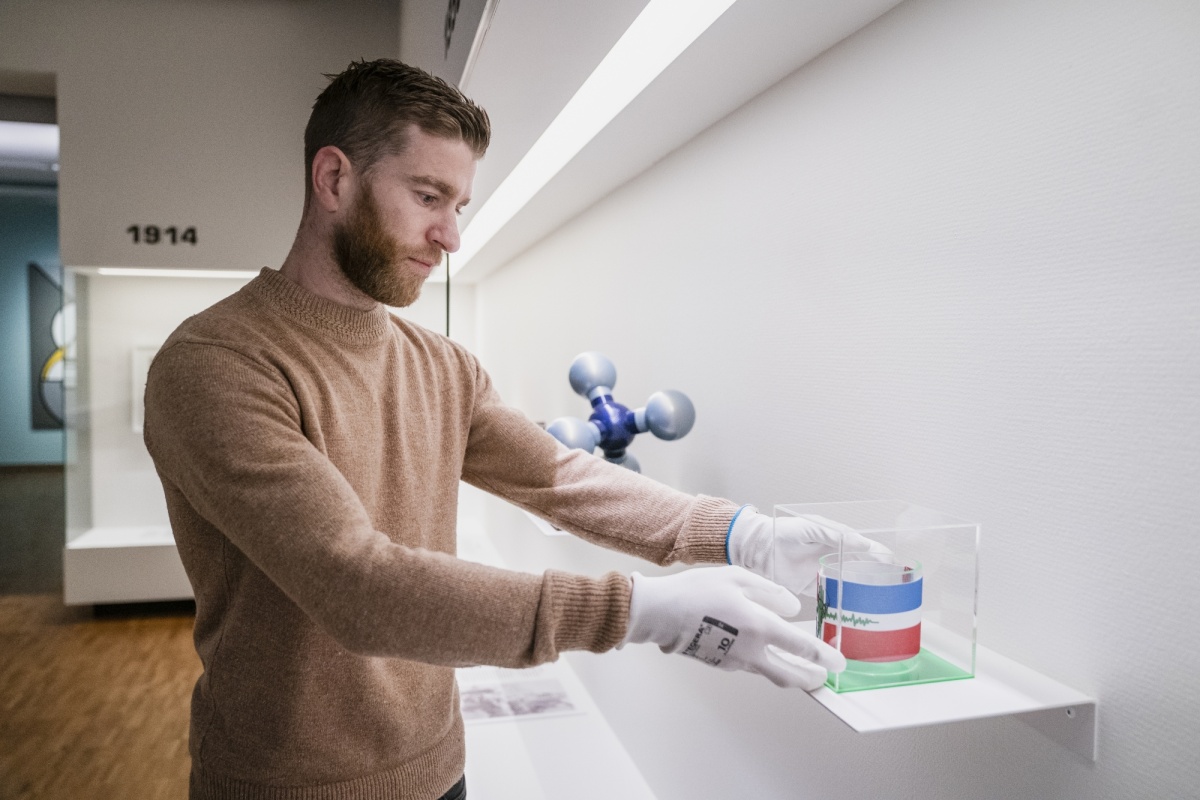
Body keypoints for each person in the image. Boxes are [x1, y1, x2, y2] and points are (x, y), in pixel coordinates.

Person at [143, 59, 884, 800]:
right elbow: (356, 585)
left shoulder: (440, 365)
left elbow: (559, 475)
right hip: (289, 785)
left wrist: (739, 533)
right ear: (334, 179)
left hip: (439, 767)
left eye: (459, 204)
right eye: (428, 196)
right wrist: (642, 612)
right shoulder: (216, 364)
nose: (451, 237)